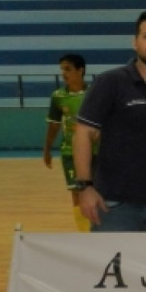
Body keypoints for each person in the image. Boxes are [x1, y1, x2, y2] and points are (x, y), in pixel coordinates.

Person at [73, 9, 146, 232]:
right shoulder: (111, 82)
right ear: (135, 42)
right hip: (114, 206)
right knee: (111, 268)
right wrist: (85, 187)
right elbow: (83, 133)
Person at [42, 53, 90, 231]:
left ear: (80, 70)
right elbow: (54, 126)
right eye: (62, 69)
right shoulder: (58, 96)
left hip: (95, 152)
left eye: (68, 69)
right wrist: (47, 150)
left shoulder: (94, 94)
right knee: (77, 194)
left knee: (97, 193)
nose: (64, 73)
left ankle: (100, 233)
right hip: (70, 152)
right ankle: (84, 234)